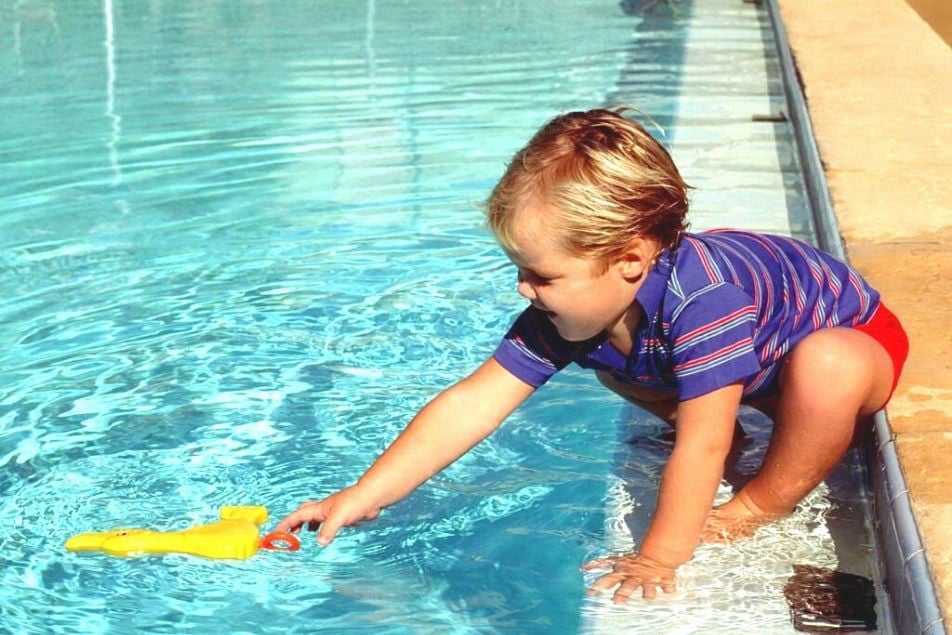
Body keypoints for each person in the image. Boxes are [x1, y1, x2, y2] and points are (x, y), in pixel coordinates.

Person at [275, 108, 908, 603]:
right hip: (759, 360)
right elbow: (473, 403)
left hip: (852, 344)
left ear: (630, 260)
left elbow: (702, 448)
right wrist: (364, 493)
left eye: (540, 275)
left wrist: (660, 555)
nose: (524, 289)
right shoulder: (580, 308)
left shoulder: (707, 303)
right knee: (614, 353)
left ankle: (764, 498)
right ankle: (727, 403)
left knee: (828, 366)